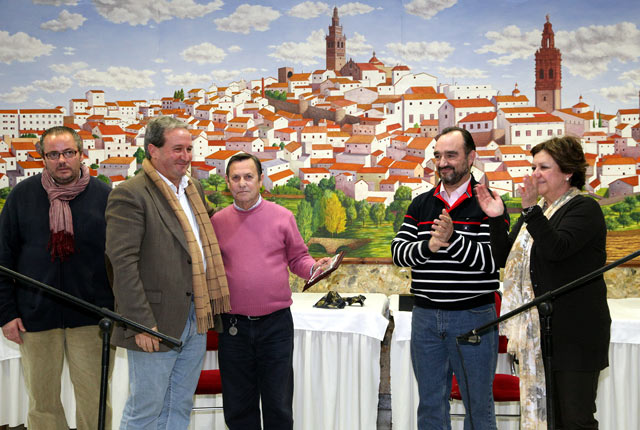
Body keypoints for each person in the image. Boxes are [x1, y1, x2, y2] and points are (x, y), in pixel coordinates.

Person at [476, 135, 611, 430]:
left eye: (544, 167)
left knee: (574, 420)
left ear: (568, 172)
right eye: (533, 166)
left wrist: (530, 211)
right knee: (546, 418)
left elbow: (557, 250)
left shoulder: (583, 210)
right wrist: (497, 219)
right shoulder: (536, 213)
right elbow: (502, 256)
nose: (535, 173)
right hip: (539, 335)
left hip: (575, 335)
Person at [105, 115, 230, 429]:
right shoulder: (130, 194)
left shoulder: (193, 189)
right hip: (155, 321)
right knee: (145, 410)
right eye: (177, 149)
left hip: (195, 315)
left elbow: (206, 242)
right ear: (153, 150)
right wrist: (141, 323)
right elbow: (122, 265)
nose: (186, 156)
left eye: (189, 149)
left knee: (179, 404)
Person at [391, 126, 509, 430]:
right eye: (438, 156)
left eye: (451, 155)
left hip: (473, 318)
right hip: (426, 318)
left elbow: (492, 263)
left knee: (478, 407)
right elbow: (399, 253)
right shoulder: (421, 203)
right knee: (430, 405)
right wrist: (430, 245)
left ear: (471, 157)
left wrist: (452, 239)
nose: (443, 162)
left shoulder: (489, 204)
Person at [0, 126, 114, 430]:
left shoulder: (105, 196)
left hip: (93, 320)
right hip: (34, 319)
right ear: (42, 159)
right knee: (42, 405)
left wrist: (116, 310)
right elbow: (2, 260)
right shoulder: (22, 195)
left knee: (96, 402)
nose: (61, 160)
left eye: (68, 153)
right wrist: (7, 314)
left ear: (81, 154)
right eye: (53, 154)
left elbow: (121, 260)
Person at [210, 153, 330, 430]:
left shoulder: (283, 217)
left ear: (261, 180)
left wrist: (313, 268)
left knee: (278, 406)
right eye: (236, 177)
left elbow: (298, 258)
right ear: (228, 182)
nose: (242, 183)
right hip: (232, 327)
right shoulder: (217, 222)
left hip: (275, 326)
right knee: (239, 409)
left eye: (248, 177)